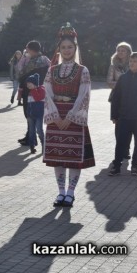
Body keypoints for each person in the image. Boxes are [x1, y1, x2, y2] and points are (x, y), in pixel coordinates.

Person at [43, 23, 94, 208]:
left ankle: (71, 193)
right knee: (57, 157)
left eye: (70, 47)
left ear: (75, 48)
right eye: (63, 47)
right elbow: (46, 93)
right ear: (59, 49)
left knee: (73, 158)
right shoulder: (52, 70)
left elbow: (84, 95)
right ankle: (61, 192)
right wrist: (55, 116)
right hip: (56, 115)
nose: (66, 50)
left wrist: (71, 117)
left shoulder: (83, 70)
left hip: (73, 116)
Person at [109, 52, 137, 176]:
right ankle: (116, 166)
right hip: (124, 117)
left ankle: (134, 166)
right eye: (131, 61)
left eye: (135, 61)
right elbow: (116, 98)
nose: (132, 63)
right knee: (120, 142)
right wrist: (114, 115)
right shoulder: (123, 78)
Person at [17, 41, 51, 146]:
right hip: (41, 92)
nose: (26, 51)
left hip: (30, 92)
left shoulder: (30, 62)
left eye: (27, 49)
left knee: (29, 115)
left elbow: (19, 71)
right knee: (34, 115)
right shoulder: (45, 59)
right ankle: (30, 137)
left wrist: (24, 58)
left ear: (31, 50)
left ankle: (31, 139)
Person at [106, 42, 132, 164]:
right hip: (117, 99)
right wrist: (123, 85)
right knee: (118, 125)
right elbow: (109, 82)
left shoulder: (133, 64)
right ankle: (120, 149)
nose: (121, 52)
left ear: (128, 52)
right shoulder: (113, 66)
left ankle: (126, 149)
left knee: (130, 124)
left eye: (123, 50)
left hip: (131, 98)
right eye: (119, 50)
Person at [25, 73, 45, 154]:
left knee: (39, 130)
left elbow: (38, 98)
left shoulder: (42, 90)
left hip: (39, 115)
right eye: (27, 84)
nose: (28, 85)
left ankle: (44, 144)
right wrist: (27, 113)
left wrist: (33, 90)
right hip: (30, 115)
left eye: (29, 83)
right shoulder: (30, 91)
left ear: (35, 83)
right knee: (31, 131)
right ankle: (32, 147)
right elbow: (28, 104)